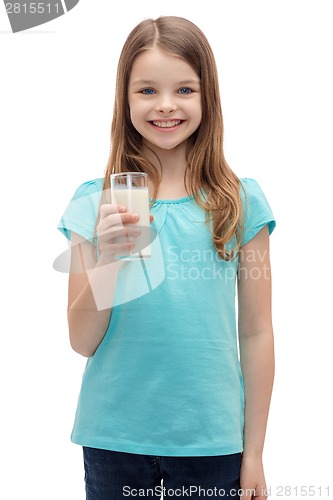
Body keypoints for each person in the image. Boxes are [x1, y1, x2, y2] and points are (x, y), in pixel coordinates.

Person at [58, 16, 276, 500]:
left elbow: (257, 330)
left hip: (213, 443)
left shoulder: (240, 203)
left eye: (184, 89)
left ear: (207, 98)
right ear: (125, 99)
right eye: (147, 90)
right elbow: (81, 340)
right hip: (112, 439)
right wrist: (111, 261)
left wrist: (254, 451)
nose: (165, 106)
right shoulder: (93, 203)